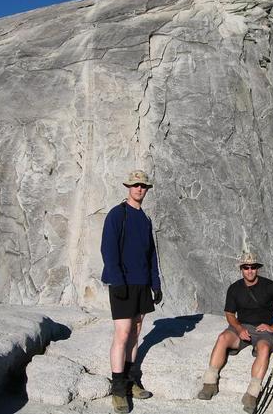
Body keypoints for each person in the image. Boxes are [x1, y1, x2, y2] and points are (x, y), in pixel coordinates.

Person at [197, 251, 273, 413]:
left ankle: (251, 394)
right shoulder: (234, 288)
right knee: (222, 338)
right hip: (241, 328)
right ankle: (210, 383)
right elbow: (229, 314)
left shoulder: (269, 286)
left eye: (253, 267)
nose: (250, 270)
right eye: (246, 267)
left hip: (262, 330)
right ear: (241, 269)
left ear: (257, 269)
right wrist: (239, 329)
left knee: (263, 348)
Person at [100, 170, 162, 414]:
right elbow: (108, 249)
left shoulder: (145, 219)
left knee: (136, 333)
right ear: (128, 187)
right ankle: (118, 390)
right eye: (136, 185)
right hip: (122, 284)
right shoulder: (118, 214)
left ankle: (131, 380)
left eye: (143, 186)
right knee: (123, 333)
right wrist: (117, 280)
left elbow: (152, 255)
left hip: (141, 283)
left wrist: (155, 284)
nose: (139, 189)